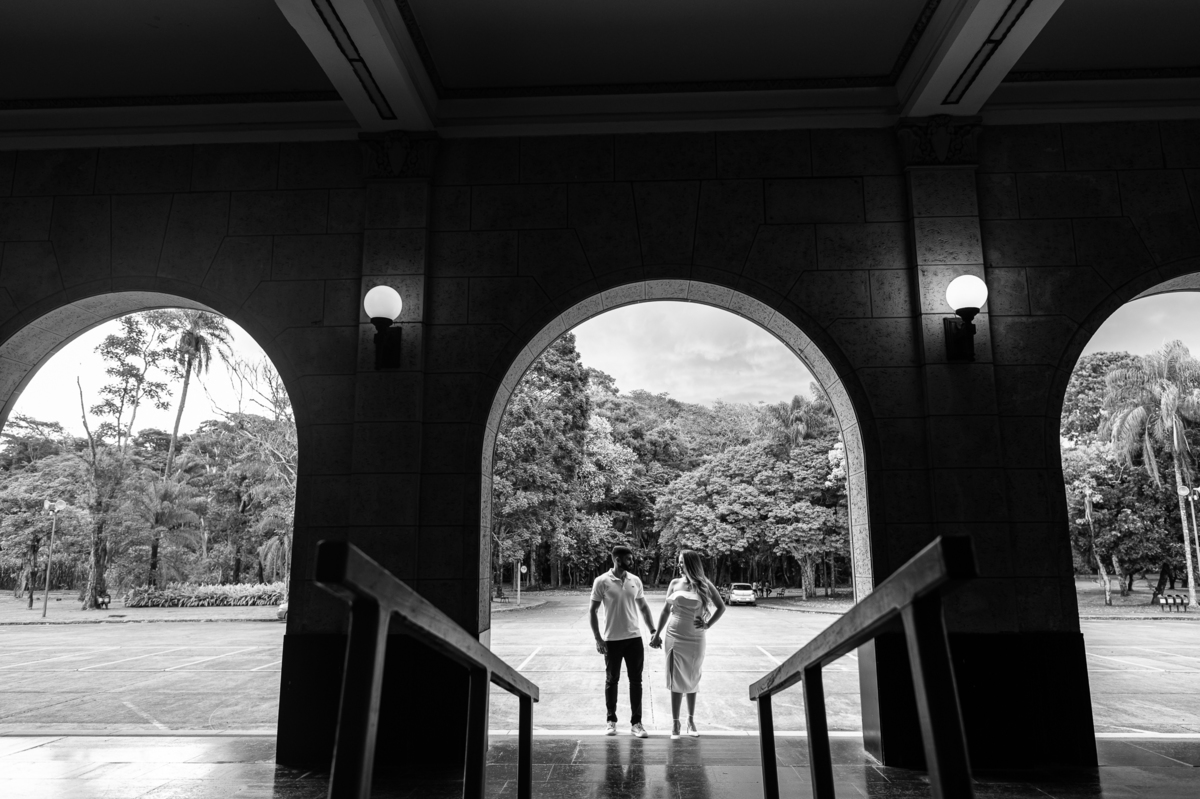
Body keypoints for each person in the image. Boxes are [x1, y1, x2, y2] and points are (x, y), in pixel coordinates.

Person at [649, 549, 726, 739]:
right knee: (675, 677)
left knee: (693, 676)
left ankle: (691, 720)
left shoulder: (704, 584)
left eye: (682, 562)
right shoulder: (675, 583)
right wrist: (656, 634)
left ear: (691, 564)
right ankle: (675, 723)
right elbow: (665, 611)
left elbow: (721, 607)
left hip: (696, 638)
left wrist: (707, 624)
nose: (679, 565)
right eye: (679, 561)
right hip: (674, 635)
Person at [590, 545, 657, 738]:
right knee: (612, 680)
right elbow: (593, 611)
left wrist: (653, 630)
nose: (632, 561)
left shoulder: (635, 580)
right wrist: (598, 638)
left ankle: (636, 724)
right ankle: (611, 721)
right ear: (617, 560)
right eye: (629, 559)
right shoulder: (601, 581)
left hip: (634, 639)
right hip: (612, 640)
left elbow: (643, 608)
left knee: (636, 681)